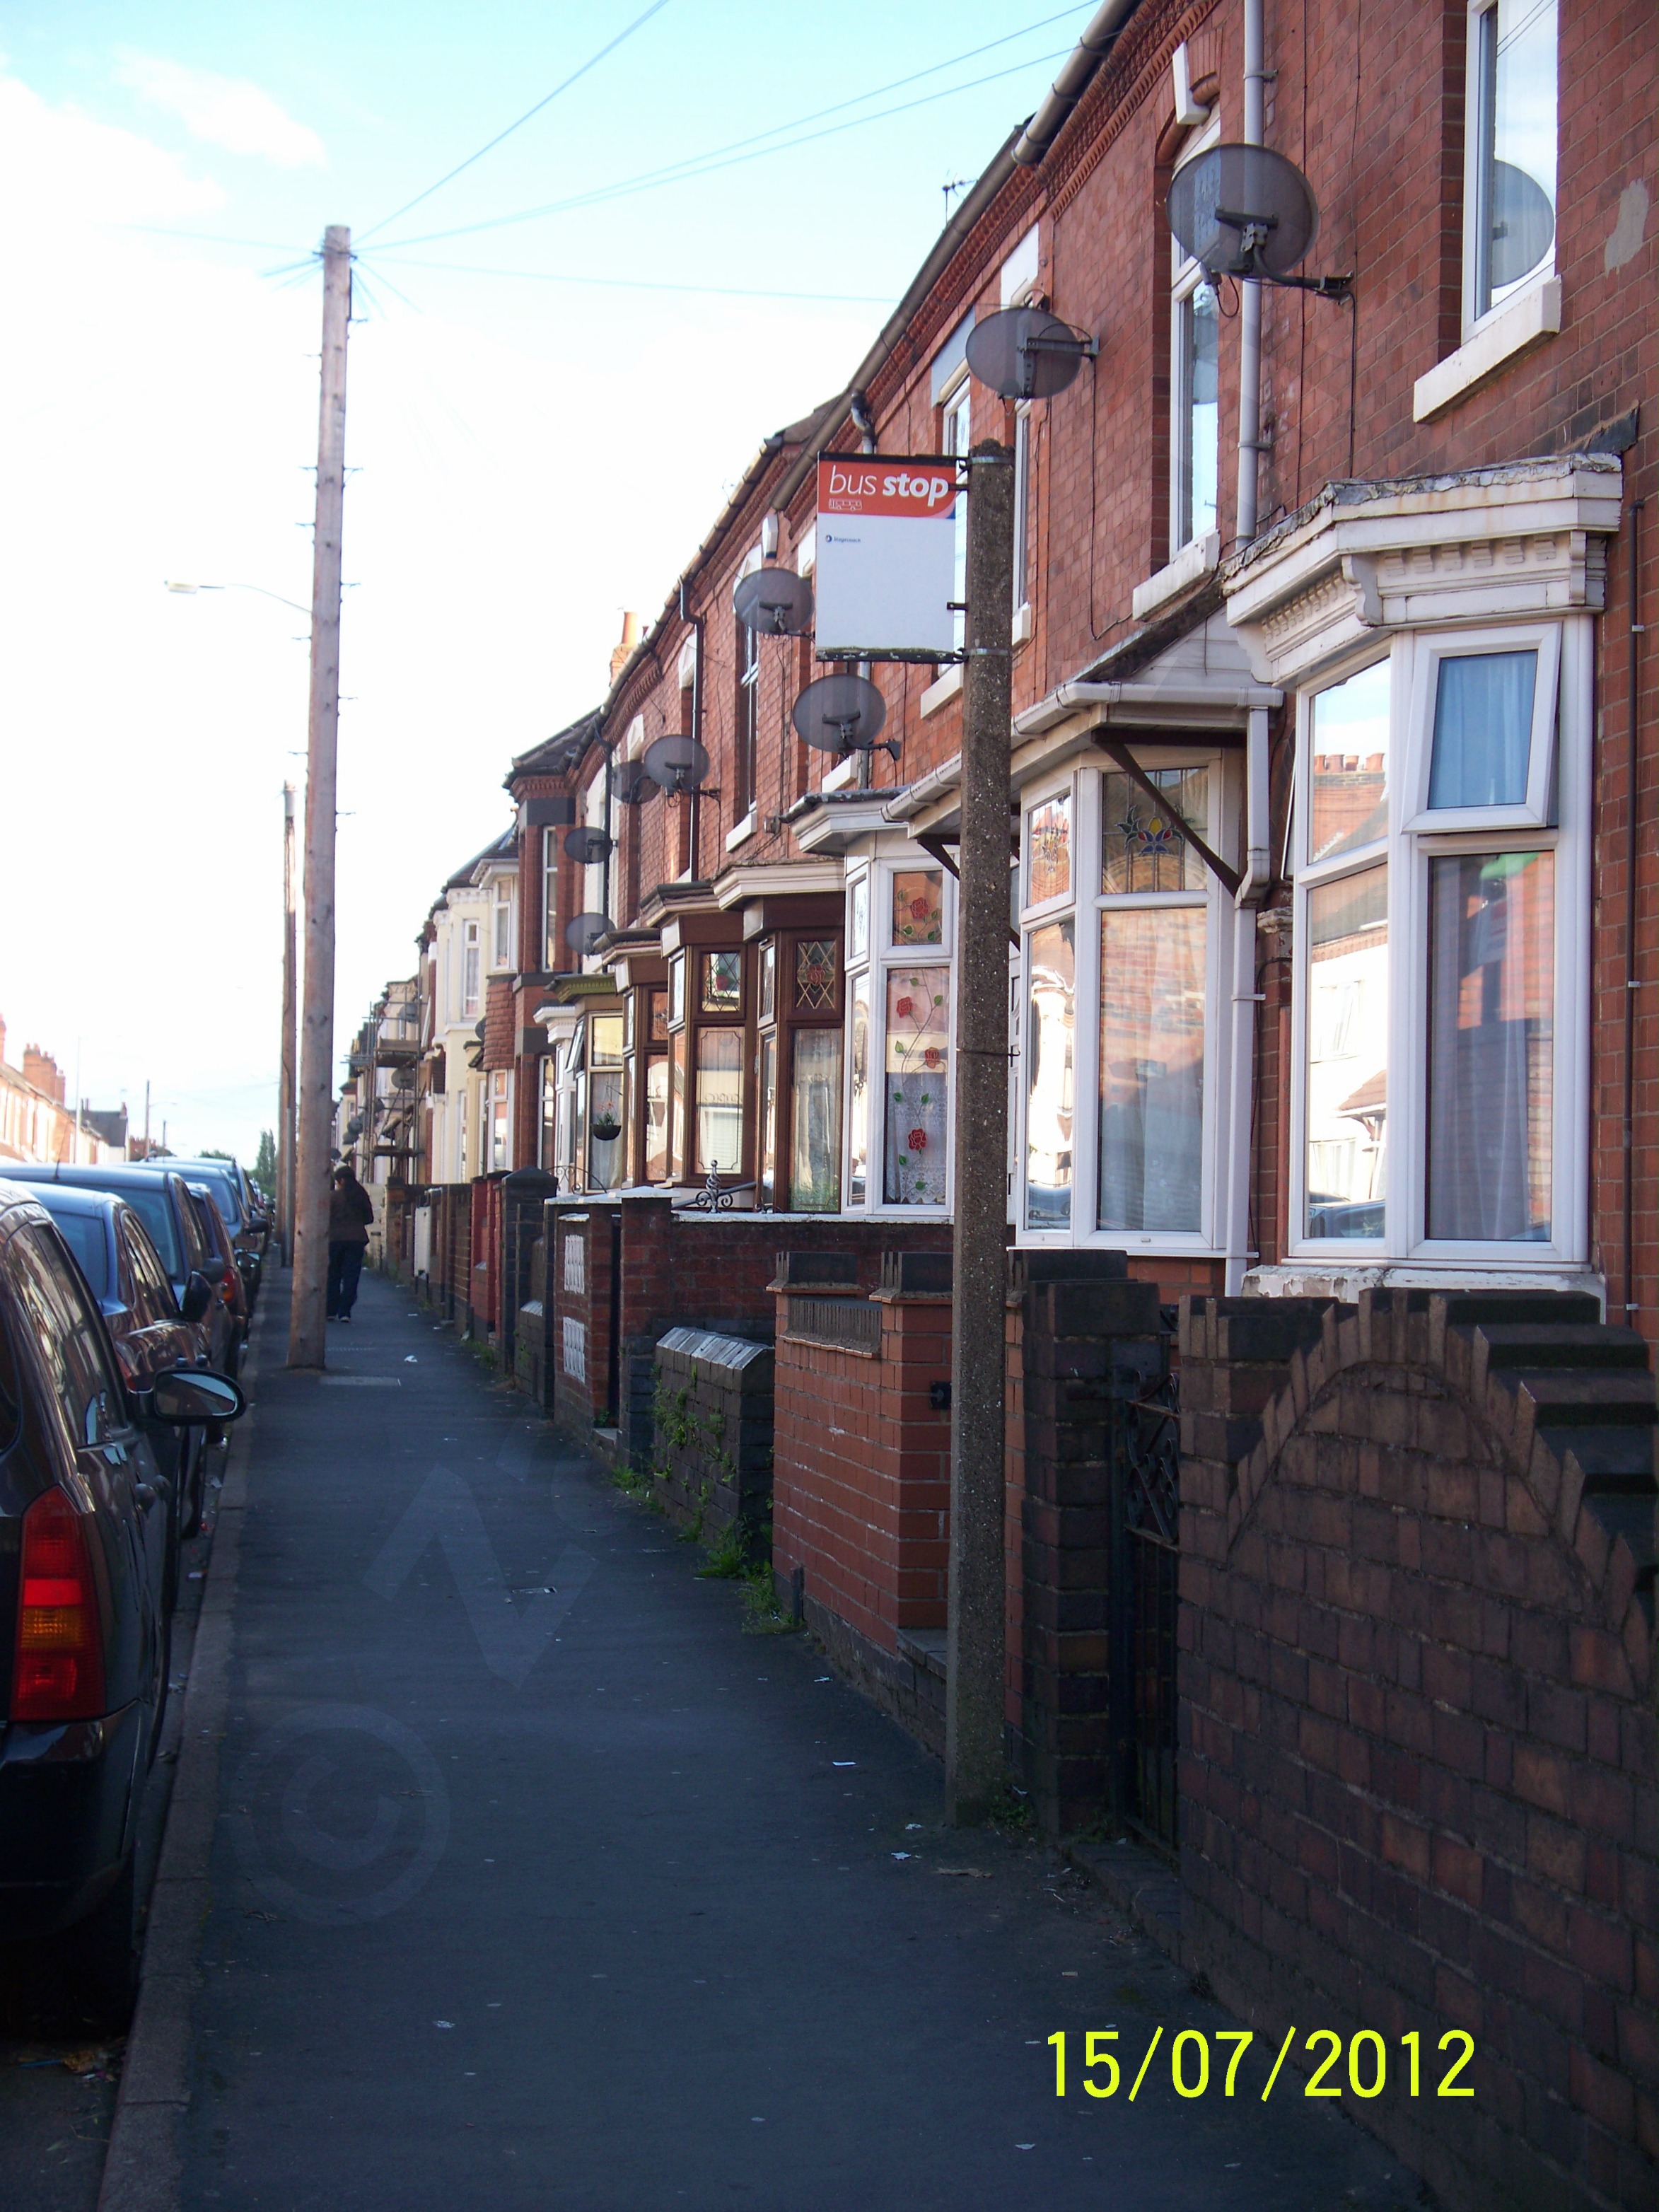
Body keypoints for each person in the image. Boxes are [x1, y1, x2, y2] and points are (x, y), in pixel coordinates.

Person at [326, 1164, 375, 1322]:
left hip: (335, 1240)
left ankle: (331, 1310)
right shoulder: (361, 1195)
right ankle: (345, 1311)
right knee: (351, 1276)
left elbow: (324, 1218)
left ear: (340, 1180)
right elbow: (370, 1219)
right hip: (356, 1240)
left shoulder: (333, 1197)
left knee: (334, 1274)